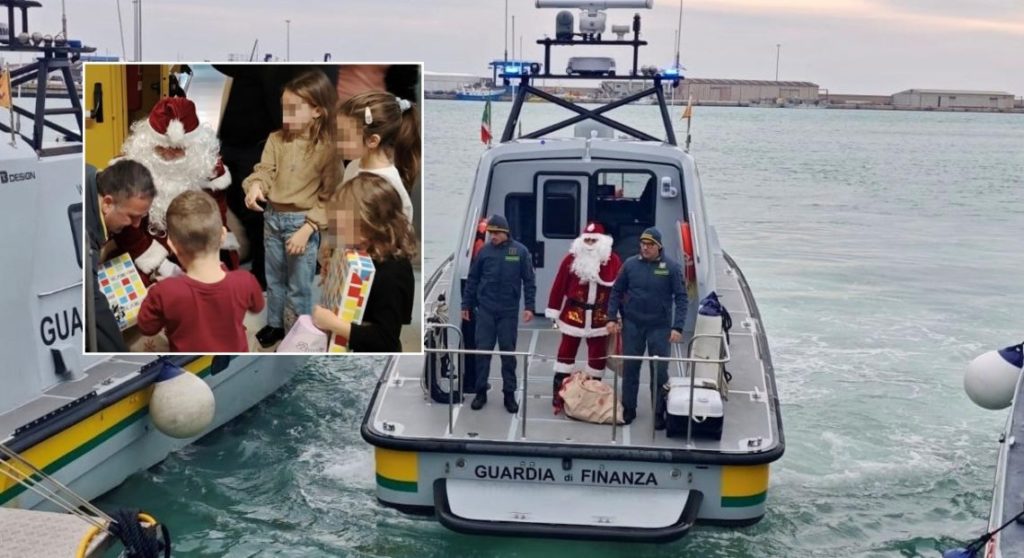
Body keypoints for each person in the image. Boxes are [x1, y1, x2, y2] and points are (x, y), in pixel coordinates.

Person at [243, 70, 338, 348]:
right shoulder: (276, 139)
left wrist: (308, 229)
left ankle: (300, 331)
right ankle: (275, 325)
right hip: (271, 219)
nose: (287, 115)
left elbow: (330, 195)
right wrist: (255, 187)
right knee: (274, 280)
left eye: (295, 109)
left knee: (300, 286)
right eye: (284, 108)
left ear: (317, 111)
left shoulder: (328, 148)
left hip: (302, 224)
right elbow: (264, 171)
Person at [111, 96, 238, 284]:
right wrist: (157, 262)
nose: (168, 154)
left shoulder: (207, 167)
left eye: (177, 149)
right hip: (145, 242)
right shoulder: (128, 169)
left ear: (194, 148)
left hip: (195, 241)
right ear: (146, 143)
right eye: (160, 147)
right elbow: (124, 226)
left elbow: (217, 215)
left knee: (214, 285)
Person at [136, 191, 264, 352]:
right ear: (223, 235)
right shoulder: (246, 280)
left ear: (172, 245)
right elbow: (257, 307)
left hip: (190, 363)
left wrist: (153, 296)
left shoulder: (163, 292)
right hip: (234, 357)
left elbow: (146, 327)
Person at [311, 173, 416, 352]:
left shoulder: (393, 273)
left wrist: (334, 324)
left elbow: (386, 340)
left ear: (368, 225)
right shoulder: (361, 249)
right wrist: (335, 274)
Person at [606, 227, 688, 428]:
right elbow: (616, 291)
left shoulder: (671, 267)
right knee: (631, 369)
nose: (645, 248)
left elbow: (681, 297)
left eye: (649, 245)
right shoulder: (630, 265)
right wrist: (611, 317)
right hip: (633, 325)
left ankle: (659, 412)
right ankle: (629, 408)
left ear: (658, 246)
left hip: (659, 328)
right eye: (643, 244)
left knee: (659, 372)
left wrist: (677, 327)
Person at [461, 215, 536, 413]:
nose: (492, 236)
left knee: (508, 355)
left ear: (505, 232)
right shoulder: (484, 253)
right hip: (485, 310)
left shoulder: (520, 252)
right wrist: (465, 305)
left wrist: (529, 306)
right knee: (482, 353)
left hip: (508, 312)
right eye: (490, 233)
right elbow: (473, 279)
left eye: (495, 233)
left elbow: (529, 281)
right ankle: (480, 392)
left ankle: (509, 395)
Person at [545, 222, 622, 412]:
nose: (589, 243)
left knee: (597, 358)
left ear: (602, 242)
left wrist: (618, 315)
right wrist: (553, 310)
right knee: (565, 355)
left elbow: (619, 291)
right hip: (573, 316)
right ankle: (558, 394)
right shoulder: (570, 259)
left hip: (600, 318)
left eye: (593, 240)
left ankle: (592, 395)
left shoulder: (613, 261)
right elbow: (558, 286)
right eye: (586, 239)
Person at [85, 160, 157, 352]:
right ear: (107, 203)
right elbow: (90, 301)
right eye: (132, 216)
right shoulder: (85, 230)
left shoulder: (93, 176)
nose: (136, 225)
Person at [335, 91, 419, 221]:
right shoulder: (353, 166)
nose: (337, 142)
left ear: (373, 141)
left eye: (344, 137)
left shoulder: (387, 184)